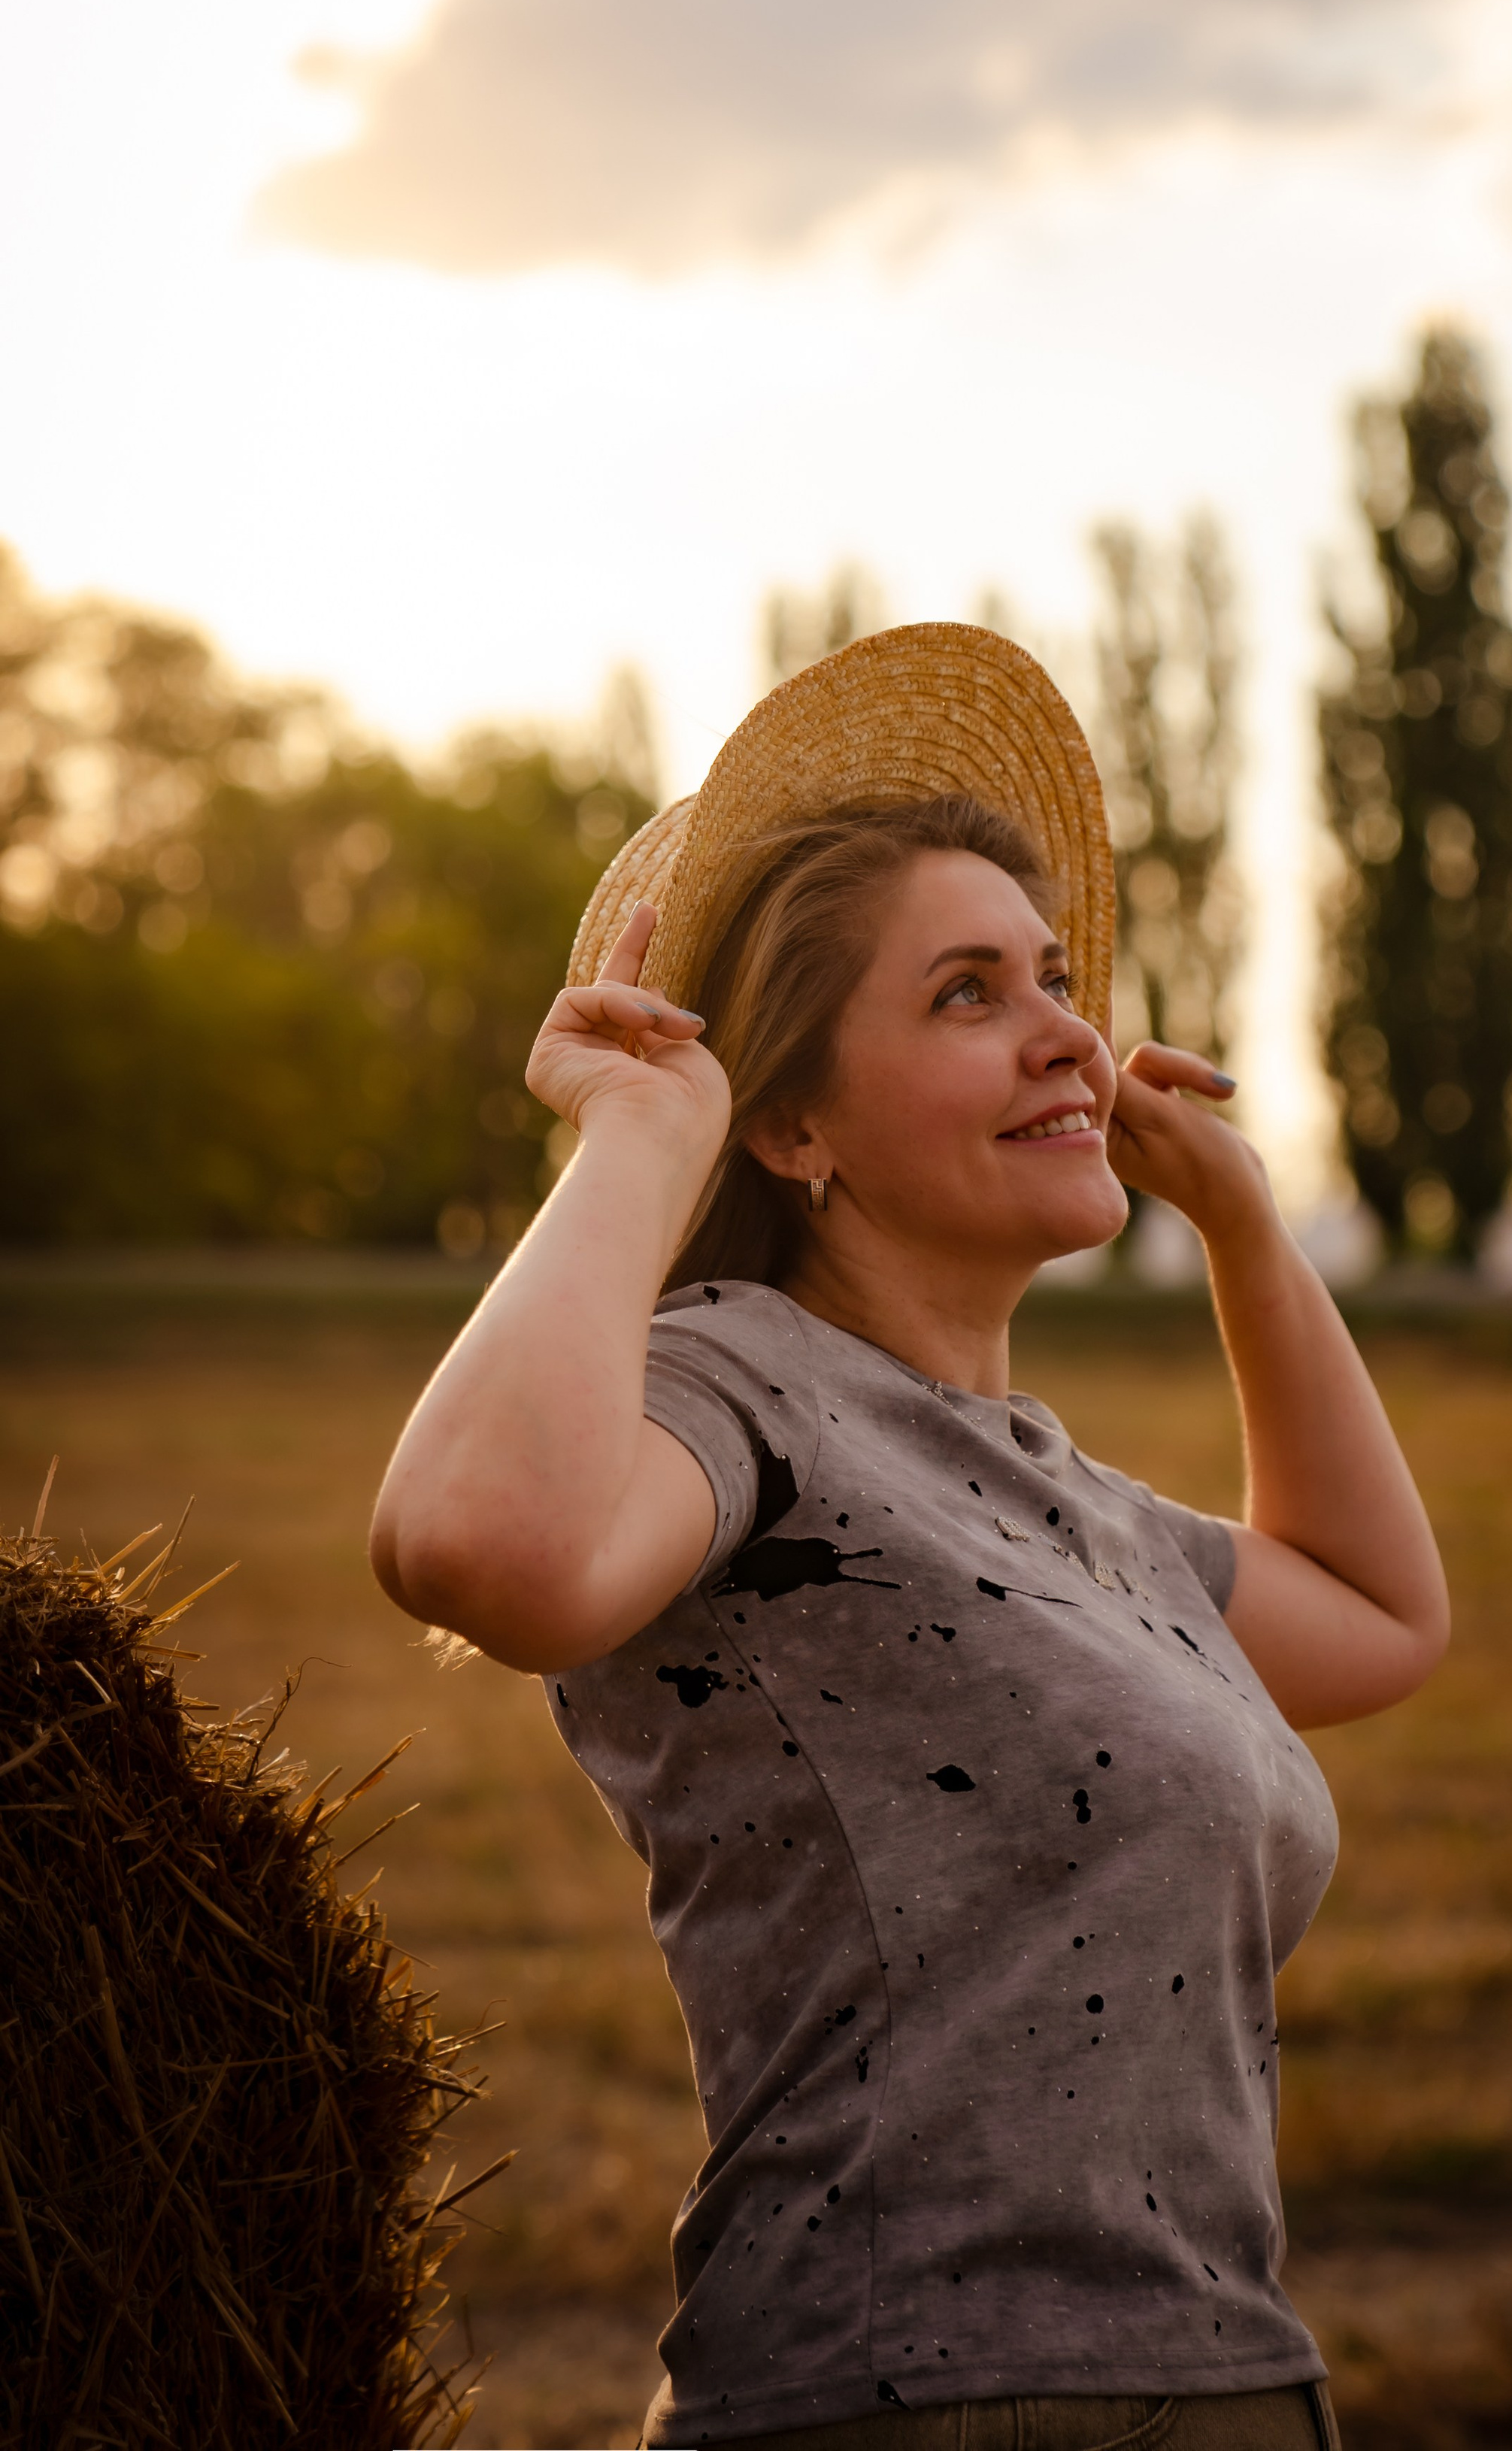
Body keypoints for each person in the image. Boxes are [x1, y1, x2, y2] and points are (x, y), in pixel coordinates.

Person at [371, 628, 1448, 2451]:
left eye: (1052, 978)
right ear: (792, 1121)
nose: (1066, 1032)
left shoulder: (1063, 1501)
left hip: (1220, 2383)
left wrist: (1248, 1231)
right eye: (968, 994)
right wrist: (637, 1133)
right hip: (910, 2401)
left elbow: (1375, 1618)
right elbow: (479, 1544)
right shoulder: (747, 1402)